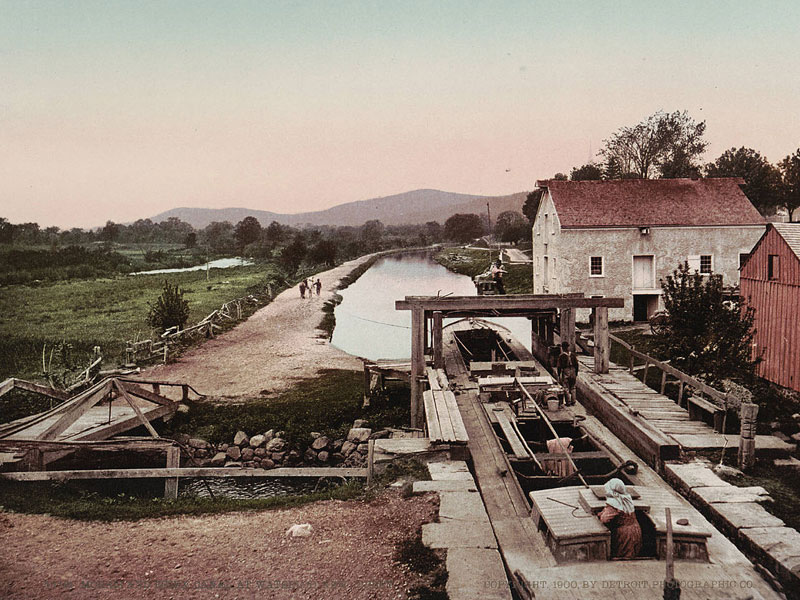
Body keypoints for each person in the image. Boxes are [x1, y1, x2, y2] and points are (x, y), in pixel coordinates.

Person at [598, 478, 642, 559]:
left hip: (625, 534)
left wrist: (601, 514)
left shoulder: (614, 503)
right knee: (632, 554)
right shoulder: (626, 498)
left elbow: (604, 519)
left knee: (623, 554)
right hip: (635, 529)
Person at [557, 341, 578, 405]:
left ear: (562, 348)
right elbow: (576, 365)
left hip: (566, 371)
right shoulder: (573, 355)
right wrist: (576, 373)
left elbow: (559, 366)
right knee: (573, 387)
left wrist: (558, 374)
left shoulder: (561, 356)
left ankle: (568, 402)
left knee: (566, 387)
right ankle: (573, 401)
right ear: (568, 347)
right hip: (573, 371)